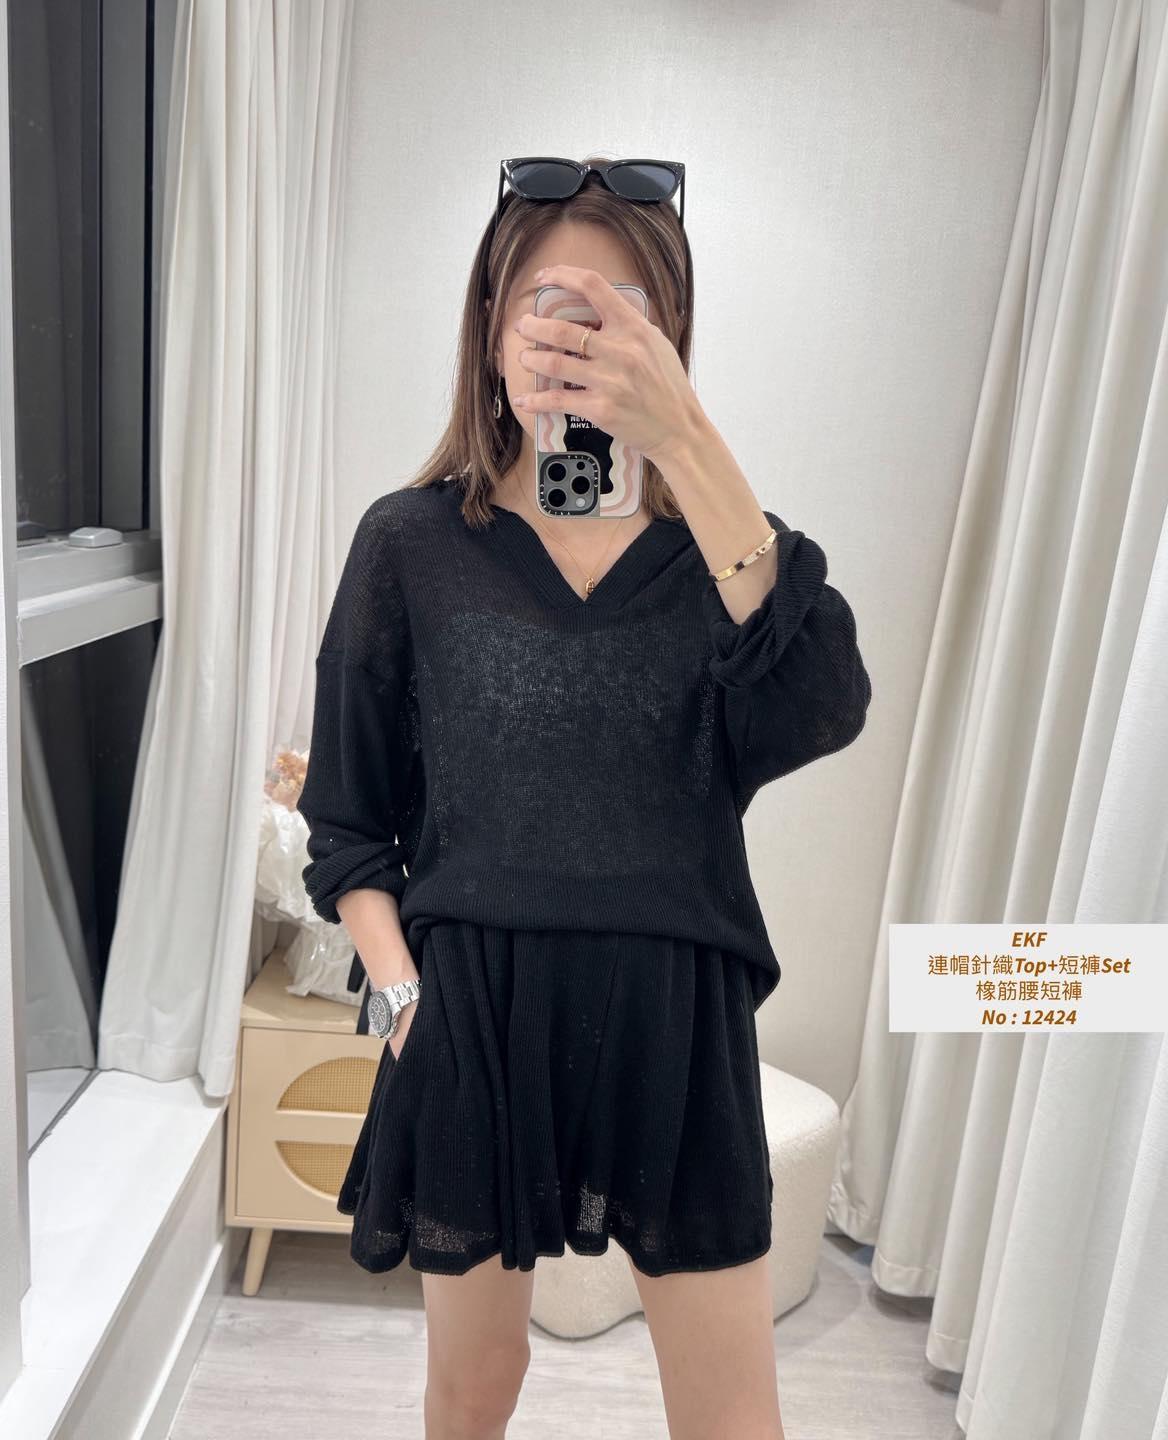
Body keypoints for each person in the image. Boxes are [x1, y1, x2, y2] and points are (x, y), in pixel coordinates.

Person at [296, 154, 872, 1440]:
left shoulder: (725, 556)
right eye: (550, 305)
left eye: (624, 312)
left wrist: (689, 446)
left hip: (676, 1022)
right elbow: (347, 825)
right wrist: (404, 1004)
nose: (580, 339)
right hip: (469, 1016)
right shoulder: (410, 542)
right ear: (491, 325)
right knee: (472, 1387)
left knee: (731, 1415)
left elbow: (824, 704)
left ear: (670, 340)